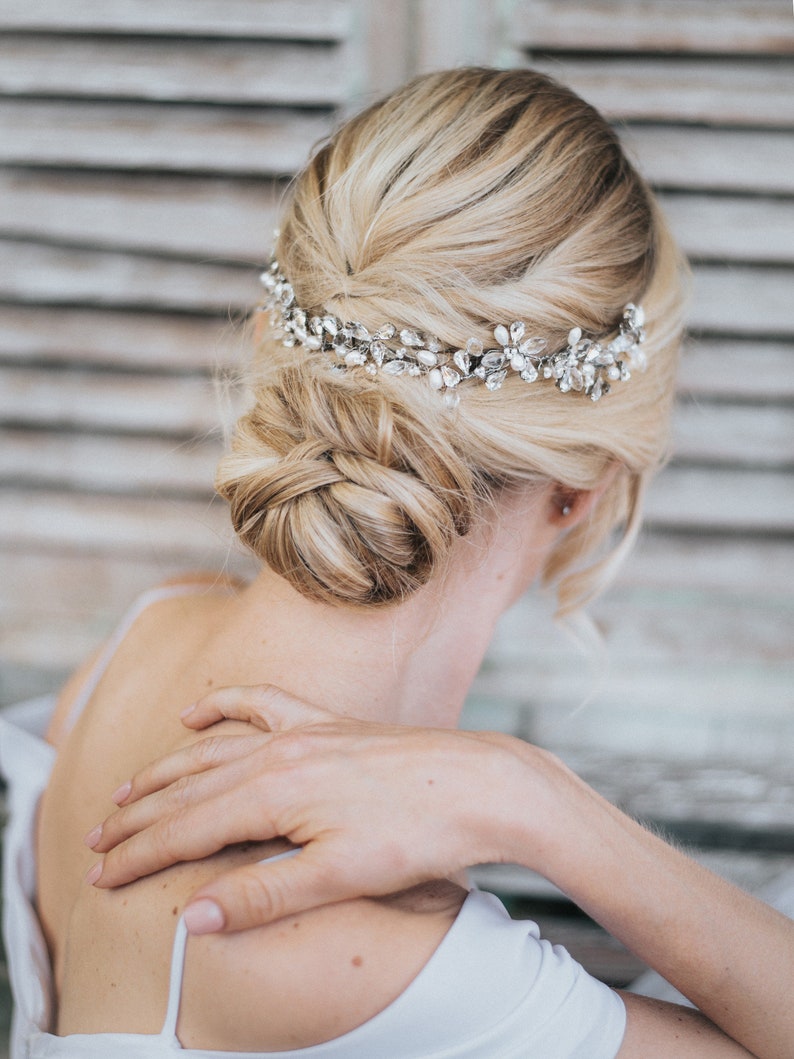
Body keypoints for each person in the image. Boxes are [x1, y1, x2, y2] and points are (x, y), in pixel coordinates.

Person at [1, 66, 791, 1058]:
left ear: (270, 349)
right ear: (586, 479)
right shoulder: (387, 963)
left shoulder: (148, 633)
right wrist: (532, 799)